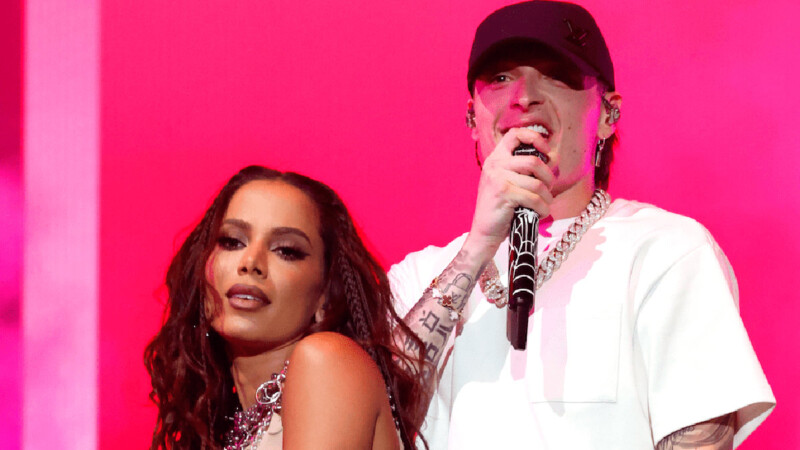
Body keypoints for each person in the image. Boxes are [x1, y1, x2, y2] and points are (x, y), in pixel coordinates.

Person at [389, 1, 775, 449]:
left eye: (555, 74)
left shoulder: (665, 250)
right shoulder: (417, 275)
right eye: (500, 78)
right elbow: (370, 415)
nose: (524, 96)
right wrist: (478, 248)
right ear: (472, 119)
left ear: (608, 114)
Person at [144, 165, 427, 449]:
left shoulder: (326, 361)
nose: (250, 262)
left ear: (326, 295)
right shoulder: (232, 428)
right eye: (232, 242)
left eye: (286, 251)